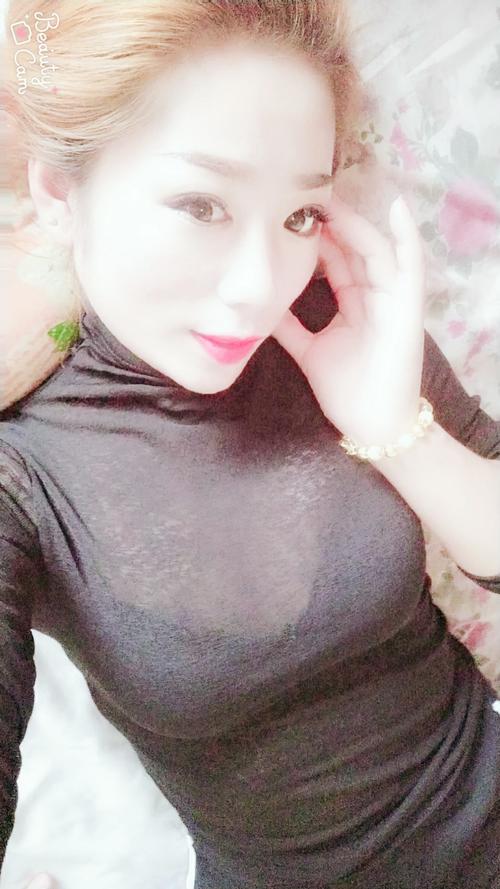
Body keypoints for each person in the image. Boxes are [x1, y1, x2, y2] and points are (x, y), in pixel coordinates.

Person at [1, 2, 500, 888]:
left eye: (300, 214)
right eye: (202, 204)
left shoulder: (337, 321)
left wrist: (393, 428)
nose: (257, 287)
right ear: (57, 193)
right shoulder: (25, 466)